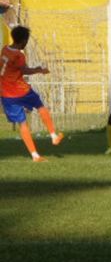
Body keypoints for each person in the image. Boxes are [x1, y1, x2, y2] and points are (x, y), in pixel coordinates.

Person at [0, 25, 63, 162]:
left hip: (6, 93)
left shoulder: (4, 49)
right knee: (40, 106)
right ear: (23, 41)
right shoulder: (19, 55)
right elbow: (25, 71)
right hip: (20, 90)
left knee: (22, 123)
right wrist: (39, 70)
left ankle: (35, 156)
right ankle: (53, 135)